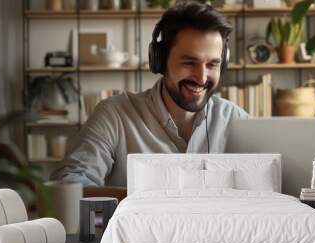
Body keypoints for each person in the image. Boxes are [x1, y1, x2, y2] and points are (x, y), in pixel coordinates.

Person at [51, 2, 249, 188]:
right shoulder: (115, 115)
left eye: (212, 64)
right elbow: (70, 183)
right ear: (160, 62)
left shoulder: (236, 120)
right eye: (189, 62)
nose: (201, 77)